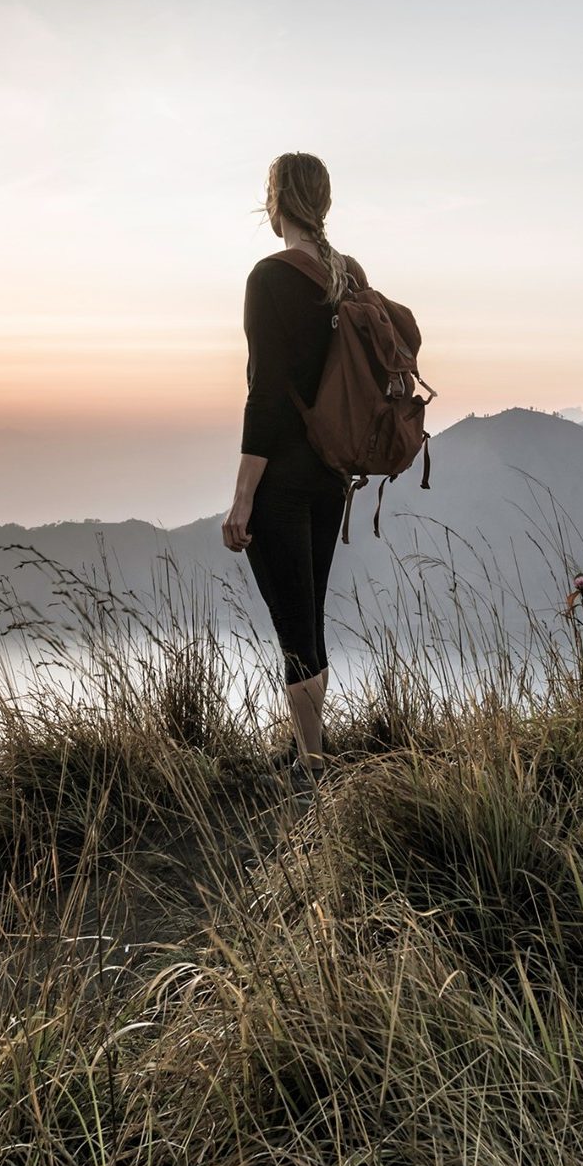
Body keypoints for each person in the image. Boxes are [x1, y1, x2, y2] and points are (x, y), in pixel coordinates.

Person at [222, 151, 360, 784]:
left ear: (275, 203)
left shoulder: (269, 277)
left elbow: (267, 393)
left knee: (293, 624)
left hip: (282, 476)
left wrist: (242, 497)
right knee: (310, 613)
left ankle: (312, 766)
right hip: (333, 473)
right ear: (324, 202)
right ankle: (311, 746)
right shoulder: (348, 273)